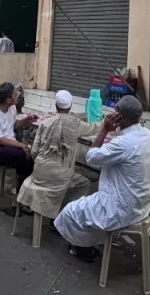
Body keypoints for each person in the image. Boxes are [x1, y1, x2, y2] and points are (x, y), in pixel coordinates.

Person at [54, 96, 150, 260]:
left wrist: (104, 129)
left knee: (70, 211)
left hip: (120, 208)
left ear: (120, 116)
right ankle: (92, 242)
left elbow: (91, 157)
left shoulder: (123, 143)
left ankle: (83, 249)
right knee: (87, 207)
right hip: (141, 205)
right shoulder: (146, 134)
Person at [16, 90, 101, 223]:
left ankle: (54, 213)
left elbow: (34, 152)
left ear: (56, 105)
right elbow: (93, 128)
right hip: (61, 177)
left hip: (39, 173)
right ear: (70, 106)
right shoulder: (75, 124)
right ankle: (64, 217)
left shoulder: (45, 123)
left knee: (66, 180)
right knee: (83, 184)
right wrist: (105, 123)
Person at [0, 82, 37, 215]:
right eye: (15, 94)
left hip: (9, 146)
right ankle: (19, 200)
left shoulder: (12, 108)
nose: (18, 96)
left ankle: (19, 199)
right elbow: (0, 140)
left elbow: (12, 126)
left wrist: (25, 121)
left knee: (28, 159)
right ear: (8, 100)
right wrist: (22, 146)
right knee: (23, 156)